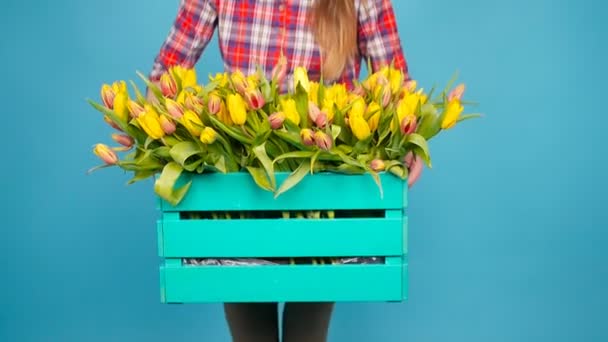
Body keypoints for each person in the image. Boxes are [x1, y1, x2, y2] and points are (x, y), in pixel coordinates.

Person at [148, 1, 422, 341]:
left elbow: (394, 86)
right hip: (244, 186)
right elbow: (166, 72)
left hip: (321, 191)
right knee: (249, 324)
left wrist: (410, 140)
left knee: (308, 329)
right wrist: (163, 124)